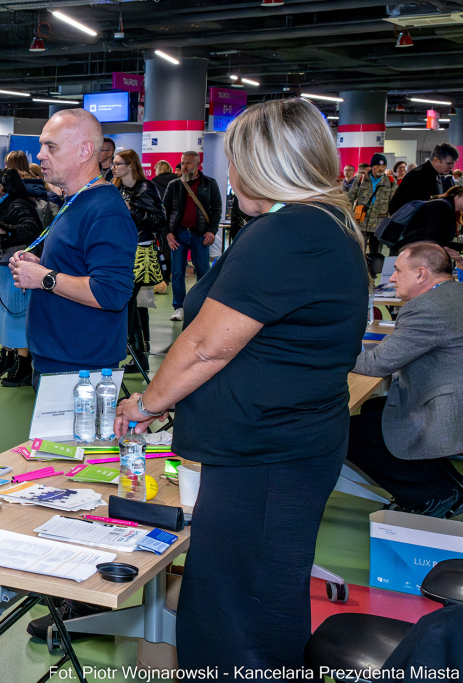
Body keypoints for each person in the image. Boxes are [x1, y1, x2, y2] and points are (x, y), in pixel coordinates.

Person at [113, 97, 369, 673]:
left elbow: (207, 343)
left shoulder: (289, 233)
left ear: (262, 165)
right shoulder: (321, 226)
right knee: (255, 603)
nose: (228, 175)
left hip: (267, 459)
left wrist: (147, 403)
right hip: (283, 449)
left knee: (237, 617)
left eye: (234, 161)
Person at [349, 241, 463, 516]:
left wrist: (325, 353)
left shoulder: (429, 307)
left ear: (421, 274)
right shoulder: (459, 294)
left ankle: (434, 495)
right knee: (375, 409)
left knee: (347, 433)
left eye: (397, 270)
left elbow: (377, 363)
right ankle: (450, 484)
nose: (392, 278)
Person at [9, 108, 136, 379]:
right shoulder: (76, 200)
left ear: (84, 151)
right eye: (41, 145)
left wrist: (44, 277)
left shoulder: (105, 209)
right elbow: (77, 266)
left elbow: (112, 293)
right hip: (58, 359)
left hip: (80, 369)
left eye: (50, 147)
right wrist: (40, 265)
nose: (40, 154)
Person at [0, 168, 43, 387]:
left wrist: (5, 229)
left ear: (0, 187)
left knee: (17, 315)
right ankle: (11, 359)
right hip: (10, 266)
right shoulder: (13, 203)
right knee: (6, 314)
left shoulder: (16, 204)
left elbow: (31, 229)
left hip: (17, 266)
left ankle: (23, 365)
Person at [112, 149, 166, 374]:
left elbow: (159, 220)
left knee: (130, 302)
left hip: (139, 251)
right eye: (113, 163)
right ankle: (137, 355)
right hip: (122, 249)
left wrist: (131, 211)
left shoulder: (145, 188)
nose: (113, 167)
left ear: (130, 165)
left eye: (118, 163)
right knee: (130, 303)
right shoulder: (117, 187)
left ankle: (137, 355)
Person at [161, 150, 222, 322]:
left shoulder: (209, 184)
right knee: (178, 272)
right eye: (183, 162)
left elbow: (216, 209)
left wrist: (212, 230)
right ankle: (179, 307)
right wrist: (168, 234)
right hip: (179, 235)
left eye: (188, 162)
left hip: (200, 235)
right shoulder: (174, 185)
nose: (184, 166)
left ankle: (203, 306)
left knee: (203, 271)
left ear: (197, 164)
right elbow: (164, 211)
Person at [397, 183, 463, 250]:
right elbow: (433, 240)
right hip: (413, 251)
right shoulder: (442, 207)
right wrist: (462, 248)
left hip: (415, 250)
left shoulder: (447, 207)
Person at [348, 153, 396, 270]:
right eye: (377, 166)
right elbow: (350, 198)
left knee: (376, 254)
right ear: (371, 167)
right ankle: (359, 273)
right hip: (361, 222)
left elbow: (394, 203)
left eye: (383, 166)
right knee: (358, 251)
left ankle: (373, 276)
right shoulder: (361, 179)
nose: (380, 168)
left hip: (380, 223)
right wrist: (349, 217)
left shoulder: (390, 181)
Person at [389, 142, 459, 214]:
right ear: (436, 160)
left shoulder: (441, 176)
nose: (452, 167)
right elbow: (396, 206)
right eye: (449, 163)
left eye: (454, 163)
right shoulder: (417, 175)